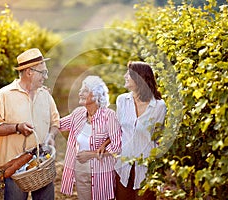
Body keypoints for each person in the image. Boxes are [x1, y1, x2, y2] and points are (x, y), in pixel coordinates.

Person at [0, 48, 60, 200]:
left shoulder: (45, 95)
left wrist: (51, 135)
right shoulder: (4, 95)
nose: (46, 76)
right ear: (29, 72)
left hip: (41, 164)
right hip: (15, 170)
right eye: (42, 72)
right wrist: (17, 127)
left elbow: (55, 122)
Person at [59, 75, 122, 200]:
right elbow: (58, 124)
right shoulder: (78, 113)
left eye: (85, 90)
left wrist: (91, 154)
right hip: (80, 168)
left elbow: (117, 145)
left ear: (95, 95)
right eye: (81, 90)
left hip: (102, 170)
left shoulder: (109, 116)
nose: (80, 93)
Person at [115, 61, 167, 200]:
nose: (125, 76)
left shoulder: (158, 106)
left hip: (146, 168)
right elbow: (117, 131)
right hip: (123, 166)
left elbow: (158, 137)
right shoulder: (122, 100)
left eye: (129, 74)